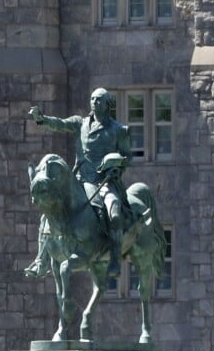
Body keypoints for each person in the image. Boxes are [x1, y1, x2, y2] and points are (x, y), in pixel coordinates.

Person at [26, 87, 134, 278]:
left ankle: (115, 259)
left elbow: (127, 156)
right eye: (92, 99)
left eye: (99, 100)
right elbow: (59, 124)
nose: (94, 103)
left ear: (108, 104)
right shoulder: (80, 123)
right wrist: (42, 119)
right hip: (79, 180)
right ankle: (40, 260)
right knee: (48, 213)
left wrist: (117, 164)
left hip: (104, 182)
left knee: (114, 211)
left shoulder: (118, 130)